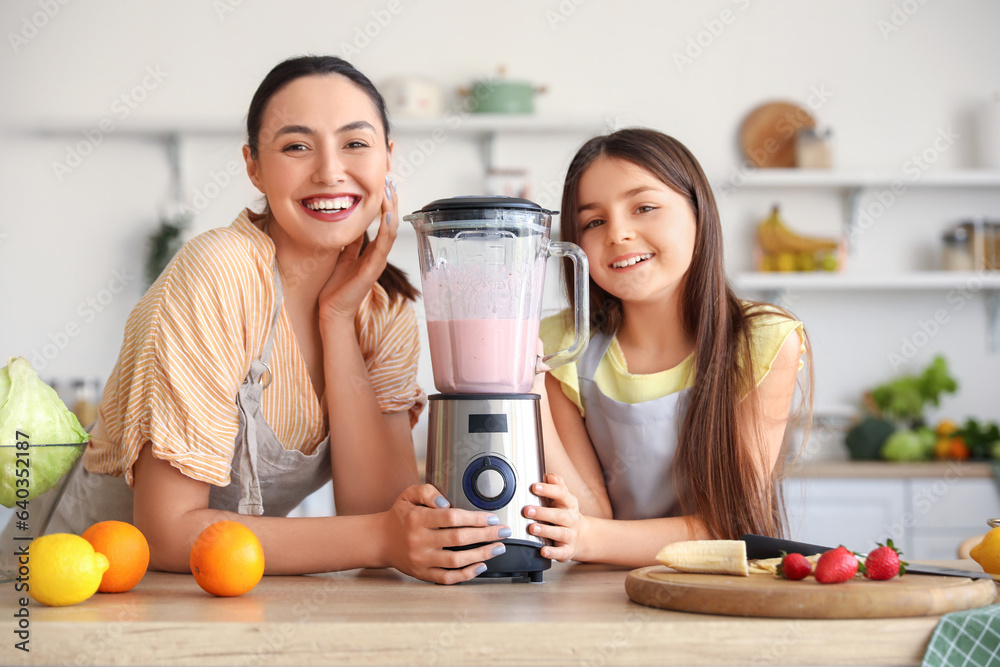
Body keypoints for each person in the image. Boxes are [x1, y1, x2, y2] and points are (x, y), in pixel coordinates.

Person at [49, 56, 508, 584]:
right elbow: (167, 533)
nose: (331, 171)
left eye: (355, 144)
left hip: (222, 597)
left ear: (388, 157)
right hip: (72, 593)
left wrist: (336, 320)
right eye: (296, 146)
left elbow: (383, 511)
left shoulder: (383, 309)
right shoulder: (219, 273)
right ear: (254, 167)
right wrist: (383, 536)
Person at [524, 128, 810, 567]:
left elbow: (732, 525)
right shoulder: (560, 342)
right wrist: (534, 389)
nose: (618, 233)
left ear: (699, 212)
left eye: (644, 207)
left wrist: (589, 538)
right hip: (600, 588)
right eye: (593, 222)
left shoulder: (764, 339)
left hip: (719, 592)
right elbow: (591, 514)